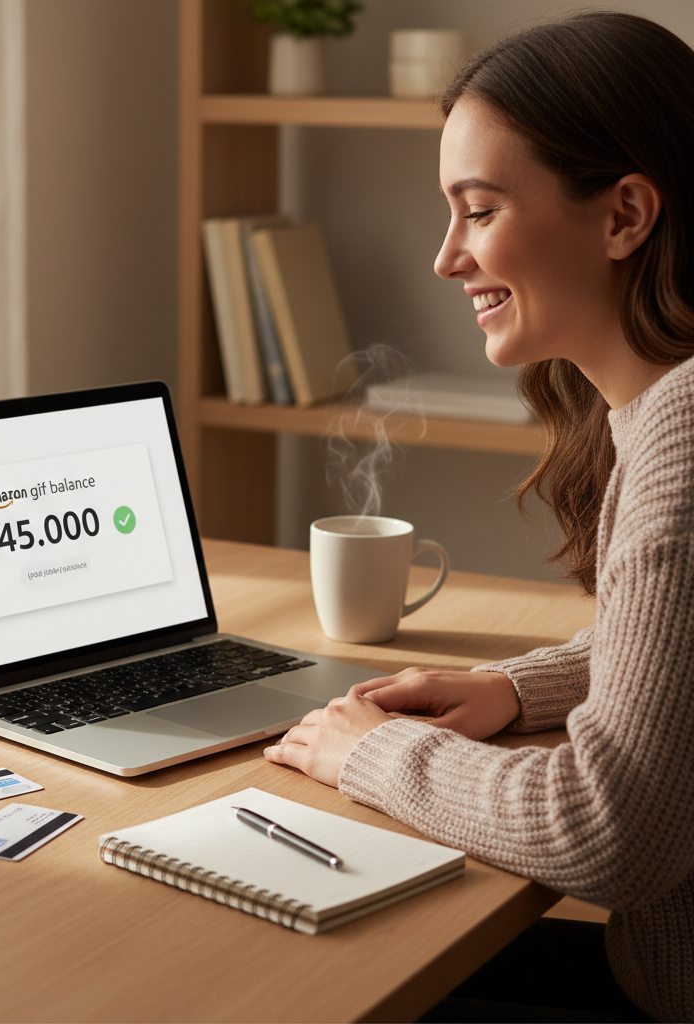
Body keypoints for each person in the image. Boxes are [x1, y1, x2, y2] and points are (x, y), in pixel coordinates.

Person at [263, 12, 694, 1023]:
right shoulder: (666, 407)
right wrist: (512, 687)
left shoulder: (682, 442)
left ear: (624, 215)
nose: (445, 258)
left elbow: (607, 831)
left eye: (480, 209)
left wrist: (364, 753)